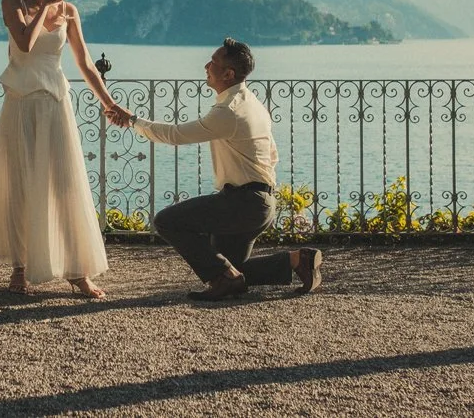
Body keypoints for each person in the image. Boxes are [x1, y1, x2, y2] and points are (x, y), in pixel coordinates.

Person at [0, 0, 120, 298]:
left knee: (64, 184)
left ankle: (77, 271)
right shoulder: (13, 2)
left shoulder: (70, 12)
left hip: (56, 105)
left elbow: (86, 63)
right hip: (21, 105)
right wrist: (46, 4)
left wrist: (109, 102)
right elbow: (25, 44)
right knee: (20, 185)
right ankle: (20, 267)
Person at [107, 38, 323, 301]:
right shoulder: (252, 103)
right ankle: (297, 260)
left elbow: (175, 135)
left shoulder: (228, 112)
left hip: (243, 202)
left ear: (228, 73)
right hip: (261, 202)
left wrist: (132, 120)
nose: (207, 65)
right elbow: (272, 155)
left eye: (214, 62)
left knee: (167, 221)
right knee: (233, 269)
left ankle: (223, 278)